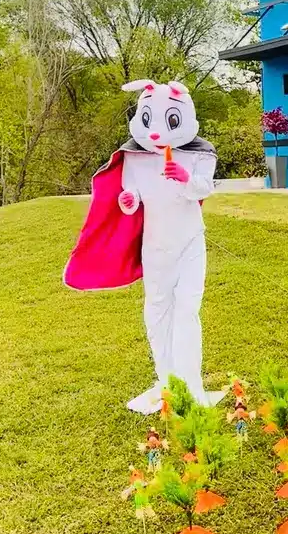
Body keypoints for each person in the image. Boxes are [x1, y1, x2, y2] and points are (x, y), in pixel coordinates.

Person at [64, 78, 222, 413]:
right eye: (149, 121)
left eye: (170, 121)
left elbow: (203, 189)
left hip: (191, 240)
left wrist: (183, 178)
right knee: (156, 311)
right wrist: (127, 200)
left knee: (187, 310)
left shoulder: (199, 154)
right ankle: (166, 379)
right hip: (155, 246)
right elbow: (131, 198)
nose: (155, 134)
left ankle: (191, 383)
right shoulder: (133, 158)